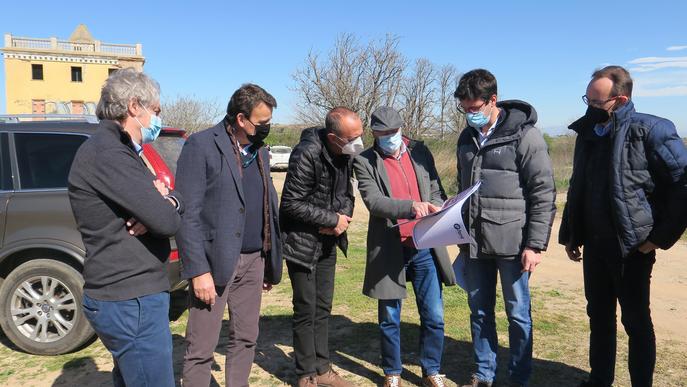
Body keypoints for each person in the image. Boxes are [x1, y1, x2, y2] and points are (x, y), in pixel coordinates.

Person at [560, 65, 687, 387]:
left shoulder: (652, 130)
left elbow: (681, 187)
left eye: (596, 102)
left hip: (632, 247)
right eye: (586, 99)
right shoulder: (588, 132)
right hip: (595, 245)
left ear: (620, 99)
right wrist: (572, 234)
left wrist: (658, 239)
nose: (589, 107)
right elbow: (579, 186)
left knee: (636, 321)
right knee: (599, 319)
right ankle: (599, 380)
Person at [68, 68, 183, 387]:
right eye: (156, 110)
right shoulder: (110, 153)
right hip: (130, 298)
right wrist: (165, 206)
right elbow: (167, 220)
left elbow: (164, 206)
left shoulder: (120, 150)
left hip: (130, 296)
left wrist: (166, 203)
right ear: (135, 106)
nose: (157, 118)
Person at [454, 69, 556, 387]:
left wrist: (535, 245)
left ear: (492, 100)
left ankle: (519, 377)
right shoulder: (466, 139)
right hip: (474, 243)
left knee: (518, 315)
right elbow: (463, 188)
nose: (469, 115)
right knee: (479, 311)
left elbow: (543, 193)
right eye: (464, 109)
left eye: (474, 108)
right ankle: (484, 373)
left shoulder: (525, 136)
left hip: (514, 245)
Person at [176, 84, 282, 387]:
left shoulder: (260, 151)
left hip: (253, 261)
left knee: (247, 338)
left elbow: (265, 204)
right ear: (240, 118)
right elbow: (188, 214)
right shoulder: (201, 146)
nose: (266, 128)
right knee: (201, 347)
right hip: (214, 264)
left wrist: (267, 256)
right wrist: (198, 271)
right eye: (261, 123)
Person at [353, 106, 457, 387]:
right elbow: (374, 202)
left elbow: (435, 186)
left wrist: (437, 204)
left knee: (434, 315)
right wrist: (411, 207)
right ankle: (392, 373)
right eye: (382, 133)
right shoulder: (364, 160)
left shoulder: (420, 151)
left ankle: (431, 369)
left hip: (424, 246)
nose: (389, 137)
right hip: (390, 248)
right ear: (373, 133)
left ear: (402, 128)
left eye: (393, 132)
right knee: (389, 317)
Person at [280, 106, 363, 387]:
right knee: (306, 308)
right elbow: (290, 203)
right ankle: (306, 373)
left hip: (329, 240)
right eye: (352, 137)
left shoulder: (345, 154)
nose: (358, 143)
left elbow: (347, 194)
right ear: (332, 136)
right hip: (302, 244)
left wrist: (342, 219)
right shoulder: (306, 153)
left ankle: (324, 368)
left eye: (360, 135)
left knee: (323, 307)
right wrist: (330, 219)